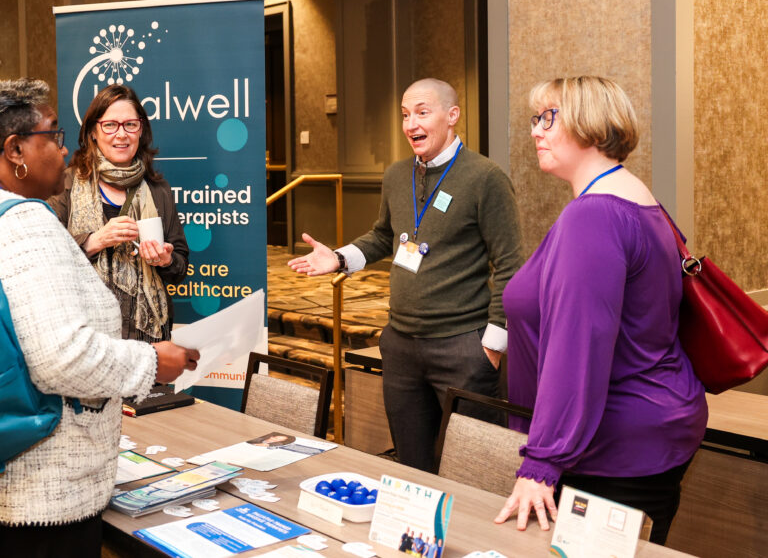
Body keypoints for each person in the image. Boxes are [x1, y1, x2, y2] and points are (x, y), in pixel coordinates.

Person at [0, 78, 199, 558]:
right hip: (21, 504)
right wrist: (153, 362)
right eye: (54, 135)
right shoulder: (25, 223)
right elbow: (62, 358)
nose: (65, 150)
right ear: (15, 150)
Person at [494, 76, 707, 545]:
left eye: (548, 118)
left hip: (613, 445)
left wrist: (543, 461)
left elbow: (578, 346)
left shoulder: (594, 215)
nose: (535, 130)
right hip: (649, 424)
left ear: (589, 124)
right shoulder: (637, 199)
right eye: (534, 119)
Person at [288, 78, 523, 471]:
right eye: (405, 114)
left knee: (472, 468)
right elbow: (384, 235)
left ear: (452, 116)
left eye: (422, 112)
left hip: (463, 347)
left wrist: (492, 348)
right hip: (401, 346)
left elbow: (511, 263)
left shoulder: (486, 178)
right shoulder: (397, 175)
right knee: (412, 465)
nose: (411, 124)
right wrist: (340, 258)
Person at [49, 84, 188, 342]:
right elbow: (48, 259)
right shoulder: (65, 183)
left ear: (141, 130)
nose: (121, 134)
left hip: (147, 338)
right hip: (85, 335)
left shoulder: (158, 189)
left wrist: (166, 260)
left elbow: (180, 267)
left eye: (130, 125)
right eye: (110, 125)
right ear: (93, 132)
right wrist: (94, 241)